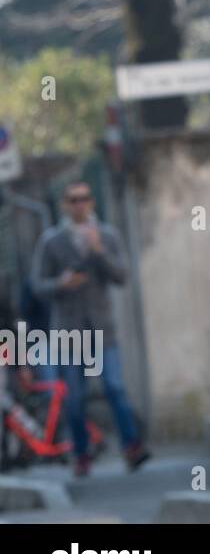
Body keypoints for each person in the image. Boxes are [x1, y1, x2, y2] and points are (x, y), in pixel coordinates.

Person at [29, 181, 149, 477]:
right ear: (65, 205)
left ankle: (132, 447)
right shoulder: (51, 241)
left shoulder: (107, 235)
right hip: (69, 333)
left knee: (115, 387)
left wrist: (98, 252)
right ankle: (81, 453)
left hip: (102, 329)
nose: (79, 204)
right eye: (73, 199)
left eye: (84, 198)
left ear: (91, 202)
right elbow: (36, 285)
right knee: (74, 398)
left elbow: (121, 276)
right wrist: (60, 283)